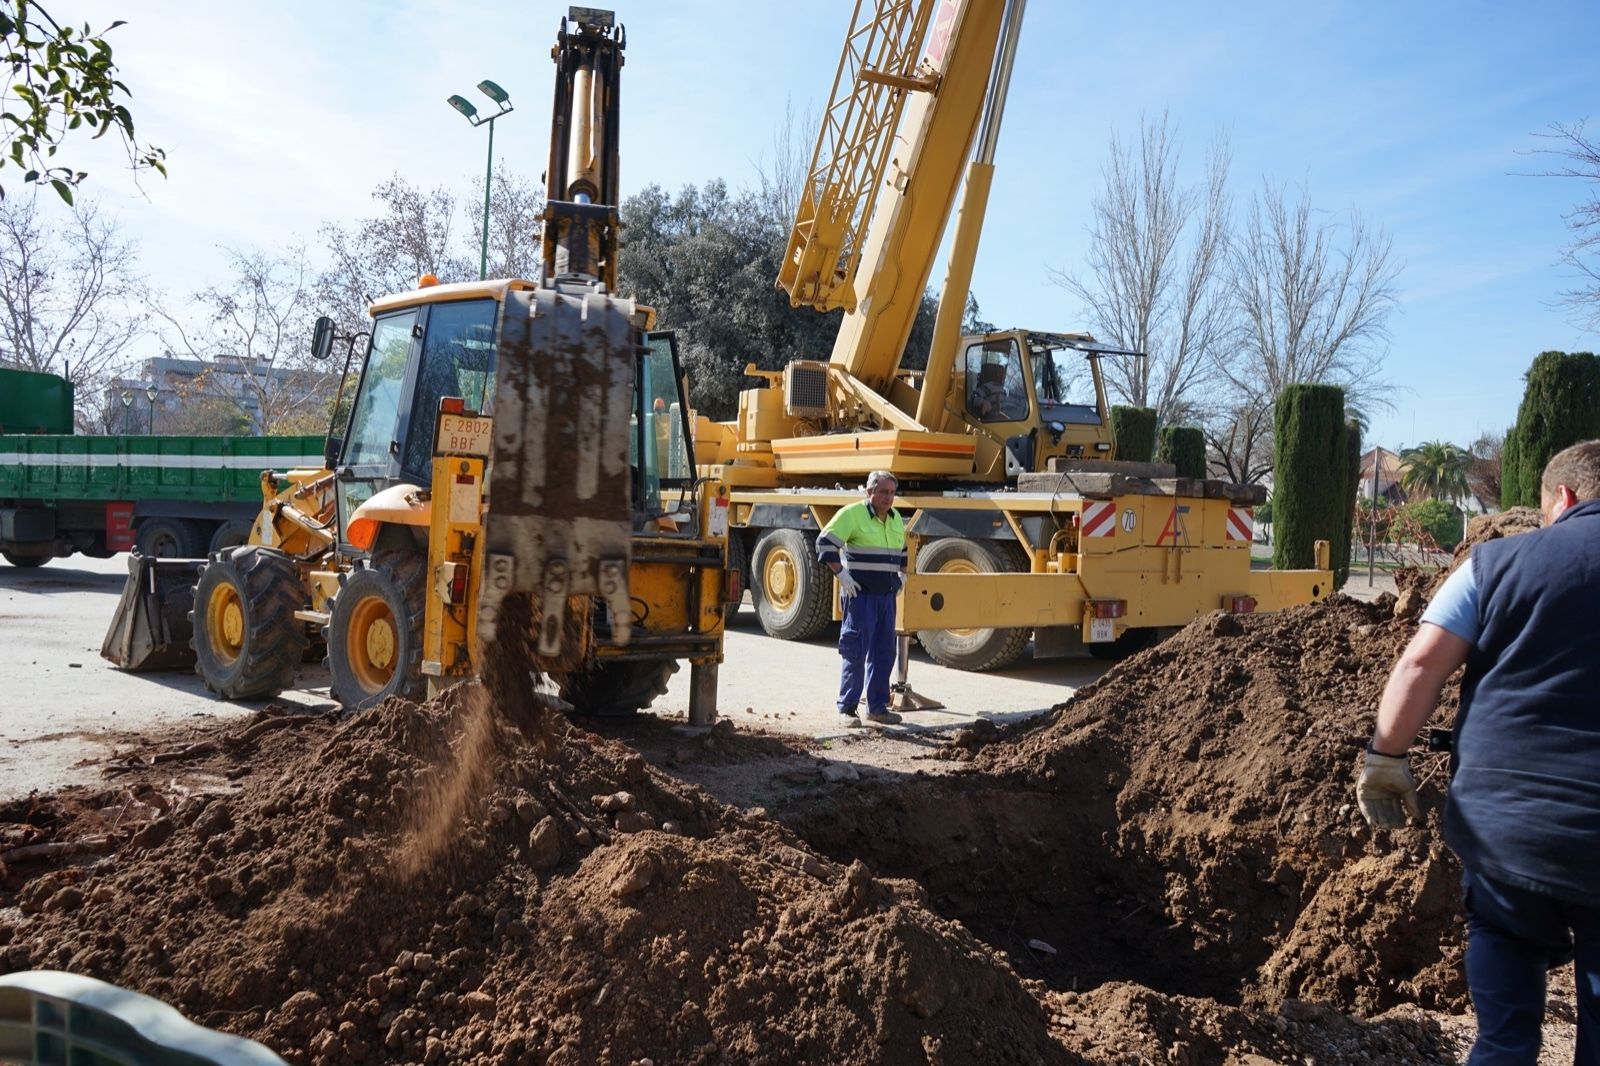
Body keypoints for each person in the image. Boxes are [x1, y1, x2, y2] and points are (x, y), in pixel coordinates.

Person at [1357, 439, 1600, 1065]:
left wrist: (1386, 759)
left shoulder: (1492, 564)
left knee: (1505, 1036)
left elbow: (1421, 664)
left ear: (1565, 496)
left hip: (1505, 833)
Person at [817, 470, 906, 728]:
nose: (888, 497)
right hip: (861, 597)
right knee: (855, 651)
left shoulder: (895, 518)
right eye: (883, 492)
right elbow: (824, 544)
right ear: (869, 492)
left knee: (884, 653)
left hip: (886, 599)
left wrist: (903, 575)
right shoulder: (852, 515)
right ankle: (847, 709)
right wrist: (842, 574)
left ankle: (877, 709)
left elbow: (903, 550)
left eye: (892, 492)